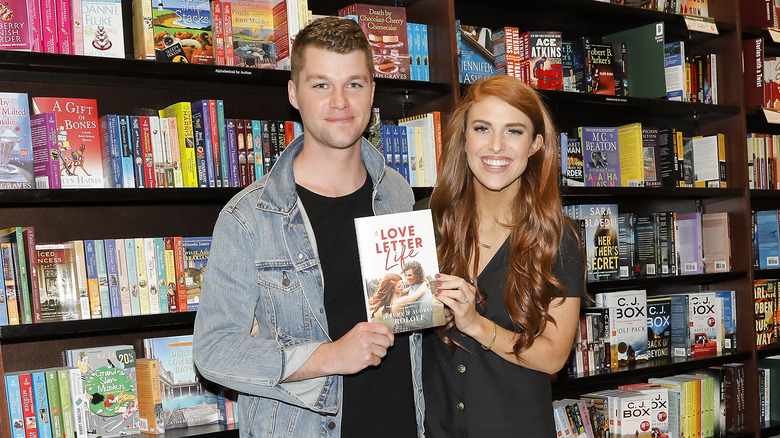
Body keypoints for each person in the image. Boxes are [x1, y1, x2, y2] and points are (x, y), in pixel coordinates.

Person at [192, 16, 424, 438]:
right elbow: (213, 351)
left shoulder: (397, 192)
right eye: (321, 85)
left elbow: (405, 311)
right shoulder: (248, 217)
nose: (340, 102)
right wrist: (328, 357)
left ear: (372, 91)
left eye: (354, 84)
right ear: (293, 93)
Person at [422, 75, 585, 436]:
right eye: (482, 128)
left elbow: (554, 355)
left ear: (535, 145)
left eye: (514, 131)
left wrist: (475, 325)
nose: (496, 146)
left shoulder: (559, 237)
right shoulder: (422, 223)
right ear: (463, 139)